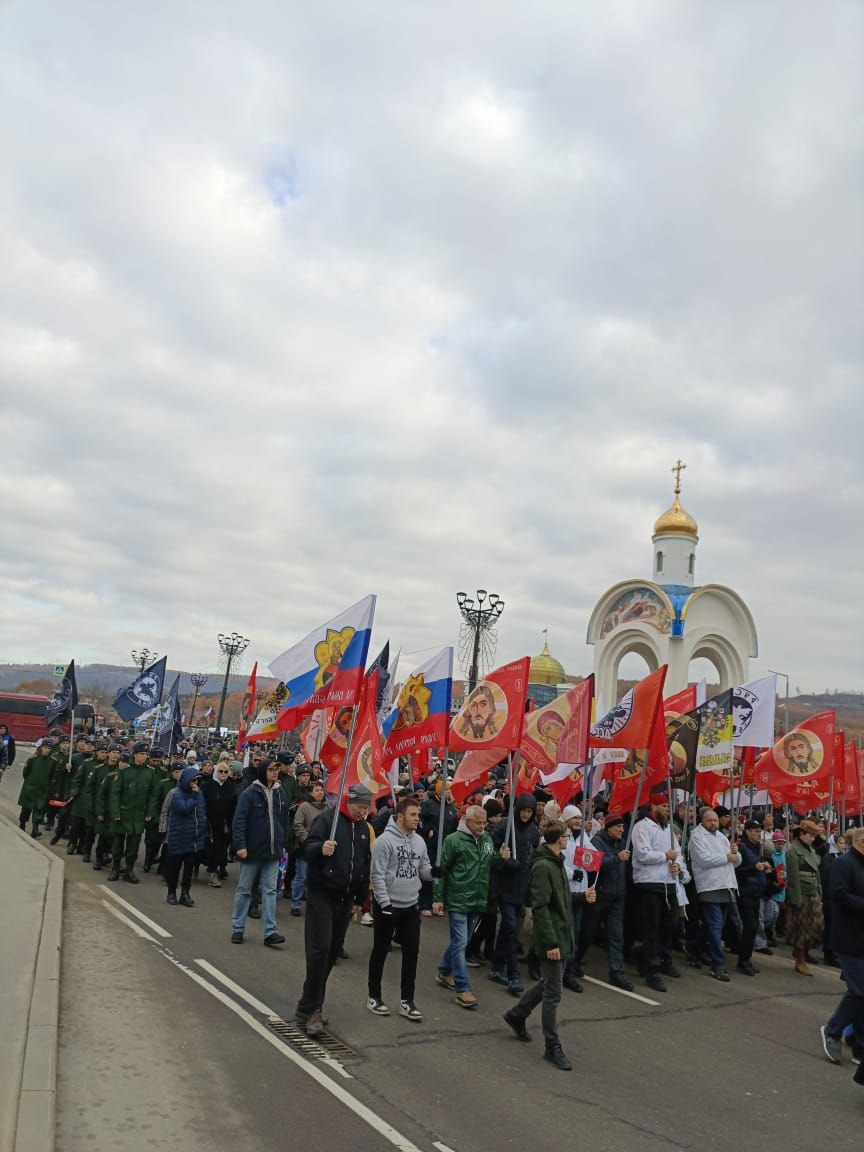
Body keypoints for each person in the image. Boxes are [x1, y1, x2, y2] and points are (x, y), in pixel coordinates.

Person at [295, 783, 373, 1036]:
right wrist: (320, 848)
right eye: (360, 807)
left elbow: (362, 863)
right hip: (321, 893)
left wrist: (363, 900)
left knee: (331, 954)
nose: (363, 812)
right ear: (350, 802)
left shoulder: (362, 828)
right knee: (320, 949)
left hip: (345, 897)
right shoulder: (327, 819)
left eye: (366, 808)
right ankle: (314, 1009)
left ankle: (307, 1003)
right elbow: (306, 850)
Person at [503, 819, 575, 1071]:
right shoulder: (544, 866)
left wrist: (580, 897)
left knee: (548, 983)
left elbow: (560, 899)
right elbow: (541, 907)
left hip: (562, 934)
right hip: (553, 937)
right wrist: (550, 942)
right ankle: (551, 1045)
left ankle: (518, 1013)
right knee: (553, 993)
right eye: (566, 835)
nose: (568, 838)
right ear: (558, 838)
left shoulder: (557, 862)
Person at [433, 804, 511, 1010]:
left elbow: (490, 862)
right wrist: (438, 897)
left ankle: (444, 970)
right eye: (479, 823)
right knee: (460, 943)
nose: (482, 826)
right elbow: (441, 871)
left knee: (463, 941)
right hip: (458, 899)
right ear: (467, 821)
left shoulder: (486, 840)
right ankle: (463, 988)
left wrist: (501, 858)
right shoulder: (453, 841)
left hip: (477, 900)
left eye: (485, 823)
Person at [367, 795, 432, 1020]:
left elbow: (423, 868)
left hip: (410, 906)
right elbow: (377, 875)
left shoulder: (419, 841)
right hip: (388, 906)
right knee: (380, 950)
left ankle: (407, 1001)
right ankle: (374, 996)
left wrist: (434, 873)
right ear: (400, 816)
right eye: (413, 815)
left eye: (418, 815)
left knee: (412, 953)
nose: (417, 819)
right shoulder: (385, 841)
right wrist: (384, 904)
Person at [819, 827, 864, 1086]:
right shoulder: (844, 863)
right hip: (847, 937)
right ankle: (833, 1031)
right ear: (858, 842)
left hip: (862, 938)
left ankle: (858, 1042)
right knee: (859, 991)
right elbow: (838, 895)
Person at [631, 796, 689, 992]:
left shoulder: (669, 829)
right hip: (649, 882)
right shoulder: (642, 826)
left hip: (668, 883)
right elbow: (642, 854)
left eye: (668, 806)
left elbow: (678, 853)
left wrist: (678, 865)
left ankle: (648, 954)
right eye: (664, 806)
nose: (666, 809)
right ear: (653, 806)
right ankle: (652, 970)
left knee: (670, 924)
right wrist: (665, 856)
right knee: (652, 928)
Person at [231, 757, 289, 947]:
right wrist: (240, 845)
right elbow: (239, 820)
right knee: (244, 890)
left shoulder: (281, 793)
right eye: (271, 769)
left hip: (273, 852)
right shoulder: (250, 793)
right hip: (252, 851)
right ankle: (238, 928)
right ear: (263, 771)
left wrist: (283, 843)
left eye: (276, 770)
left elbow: (284, 821)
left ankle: (270, 932)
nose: (275, 773)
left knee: (270, 891)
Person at [489, 793, 540, 996]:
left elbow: (534, 855)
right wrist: (504, 860)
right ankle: (513, 973)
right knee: (510, 925)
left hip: (522, 886)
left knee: (508, 929)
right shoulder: (504, 826)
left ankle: (496, 966)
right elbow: (491, 850)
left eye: (530, 811)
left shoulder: (534, 832)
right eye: (524, 810)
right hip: (504, 884)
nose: (526, 815)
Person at [688, 807, 741, 982]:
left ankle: (694, 948)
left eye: (715, 820)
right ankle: (717, 965)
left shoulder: (721, 837)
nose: (713, 823)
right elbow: (704, 859)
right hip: (709, 886)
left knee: (713, 926)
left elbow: (736, 861)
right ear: (702, 820)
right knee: (716, 926)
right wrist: (727, 857)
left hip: (726, 885)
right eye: (709, 820)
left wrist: (735, 854)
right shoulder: (697, 836)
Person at [592, 812, 634, 990]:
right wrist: (616, 858)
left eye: (623, 827)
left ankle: (616, 972)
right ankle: (573, 963)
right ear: (609, 827)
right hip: (600, 895)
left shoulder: (621, 843)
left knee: (617, 935)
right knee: (587, 932)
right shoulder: (597, 842)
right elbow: (595, 864)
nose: (621, 829)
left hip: (617, 896)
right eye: (618, 826)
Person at [107, 741, 155, 883]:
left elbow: (153, 795)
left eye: (146, 754)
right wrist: (115, 812)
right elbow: (115, 793)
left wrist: (150, 811)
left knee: (133, 846)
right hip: (123, 813)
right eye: (142, 754)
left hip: (138, 815)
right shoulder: (124, 771)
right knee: (118, 844)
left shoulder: (150, 773)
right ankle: (115, 868)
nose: (144, 757)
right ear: (135, 755)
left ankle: (129, 870)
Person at [561, 805, 598, 991]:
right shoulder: (560, 835)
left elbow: (593, 860)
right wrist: (570, 873)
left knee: (575, 932)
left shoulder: (584, 838)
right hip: (564, 890)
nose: (578, 821)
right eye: (574, 818)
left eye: (579, 818)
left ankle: (569, 968)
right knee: (562, 931)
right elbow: (554, 859)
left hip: (580, 892)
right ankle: (553, 967)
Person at [786, 820, 824, 976]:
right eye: (809, 835)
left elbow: (817, 872)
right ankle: (800, 960)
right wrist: (796, 899)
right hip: (801, 894)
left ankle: (801, 953)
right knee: (802, 929)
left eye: (814, 836)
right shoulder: (793, 851)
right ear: (801, 833)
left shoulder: (811, 850)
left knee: (817, 926)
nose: (812, 838)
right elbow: (793, 878)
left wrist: (819, 890)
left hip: (812, 893)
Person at [733, 819, 771, 975]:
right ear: (747, 831)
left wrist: (765, 868)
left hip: (756, 891)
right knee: (750, 926)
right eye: (755, 831)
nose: (758, 834)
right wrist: (754, 868)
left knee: (753, 927)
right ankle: (742, 960)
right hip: (745, 892)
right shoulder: (741, 847)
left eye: (760, 831)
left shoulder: (757, 848)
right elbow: (737, 870)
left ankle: (746, 958)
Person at [164, 767, 207, 906]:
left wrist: (202, 827)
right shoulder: (177, 794)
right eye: (193, 780)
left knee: (188, 870)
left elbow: (201, 812)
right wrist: (193, 797)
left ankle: (185, 894)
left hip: (194, 838)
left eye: (197, 780)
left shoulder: (199, 794)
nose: (195, 783)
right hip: (179, 837)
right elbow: (183, 809)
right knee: (174, 868)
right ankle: (171, 892)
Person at [290, 778, 328, 915]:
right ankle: (295, 904)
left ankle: (315, 905)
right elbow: (297, 825)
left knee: (318, 878)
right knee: (301, 877)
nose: (320, 792)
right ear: (311, 793)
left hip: (322, 849)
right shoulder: (304, 806)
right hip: (306, 848)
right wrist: (309, 840)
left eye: (322, 790)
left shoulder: (327, 808)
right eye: (317, 790)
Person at [419, 781, 457, 915]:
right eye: (446, 789)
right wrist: (428, 830)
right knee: (429, 873)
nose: (448, 792)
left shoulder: (451, 807)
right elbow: (420, 820)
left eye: (450, 790)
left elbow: (454, 825)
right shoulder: (428, 805)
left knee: (442, 873)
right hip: (432, 845)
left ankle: (438, 903)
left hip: (446, 845)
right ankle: (425, 903)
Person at [201, 759, 233, 887]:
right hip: (209, 824)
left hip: (224, 825)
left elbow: (233, 805)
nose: (223, 773)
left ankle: (214, 874)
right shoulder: (207, 785)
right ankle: (209, 872)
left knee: (220, 850)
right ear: (216, 772)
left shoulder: (230, 787)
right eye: (221, 771)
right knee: (209, 849)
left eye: (226, 771)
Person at [18, 739, 57, 837]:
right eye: (45, 748)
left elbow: (53, 776)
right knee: (26, 808)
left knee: (39, 809)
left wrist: (48, 787)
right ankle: (22, 824)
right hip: (30, 788)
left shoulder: (53, 761)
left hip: (43, 790)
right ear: (41, 748)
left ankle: (35, 829)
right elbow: (26, 773)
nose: (47, 750)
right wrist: (29, 782)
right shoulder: (32, 759)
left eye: (49, 748)